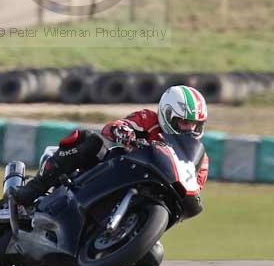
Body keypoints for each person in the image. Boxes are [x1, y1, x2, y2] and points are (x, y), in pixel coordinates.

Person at [11, 85, 209, 222]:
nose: (189, 129)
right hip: (118, 170)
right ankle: (32, 190)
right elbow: (115, 126)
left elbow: (194, 187)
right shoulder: (148, 119)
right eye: (184, 122)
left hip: (150, 198)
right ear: (167, 114)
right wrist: (123, 131)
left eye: (195, 124)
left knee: (149, 262)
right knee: (91, 141)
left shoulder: (200, 159)